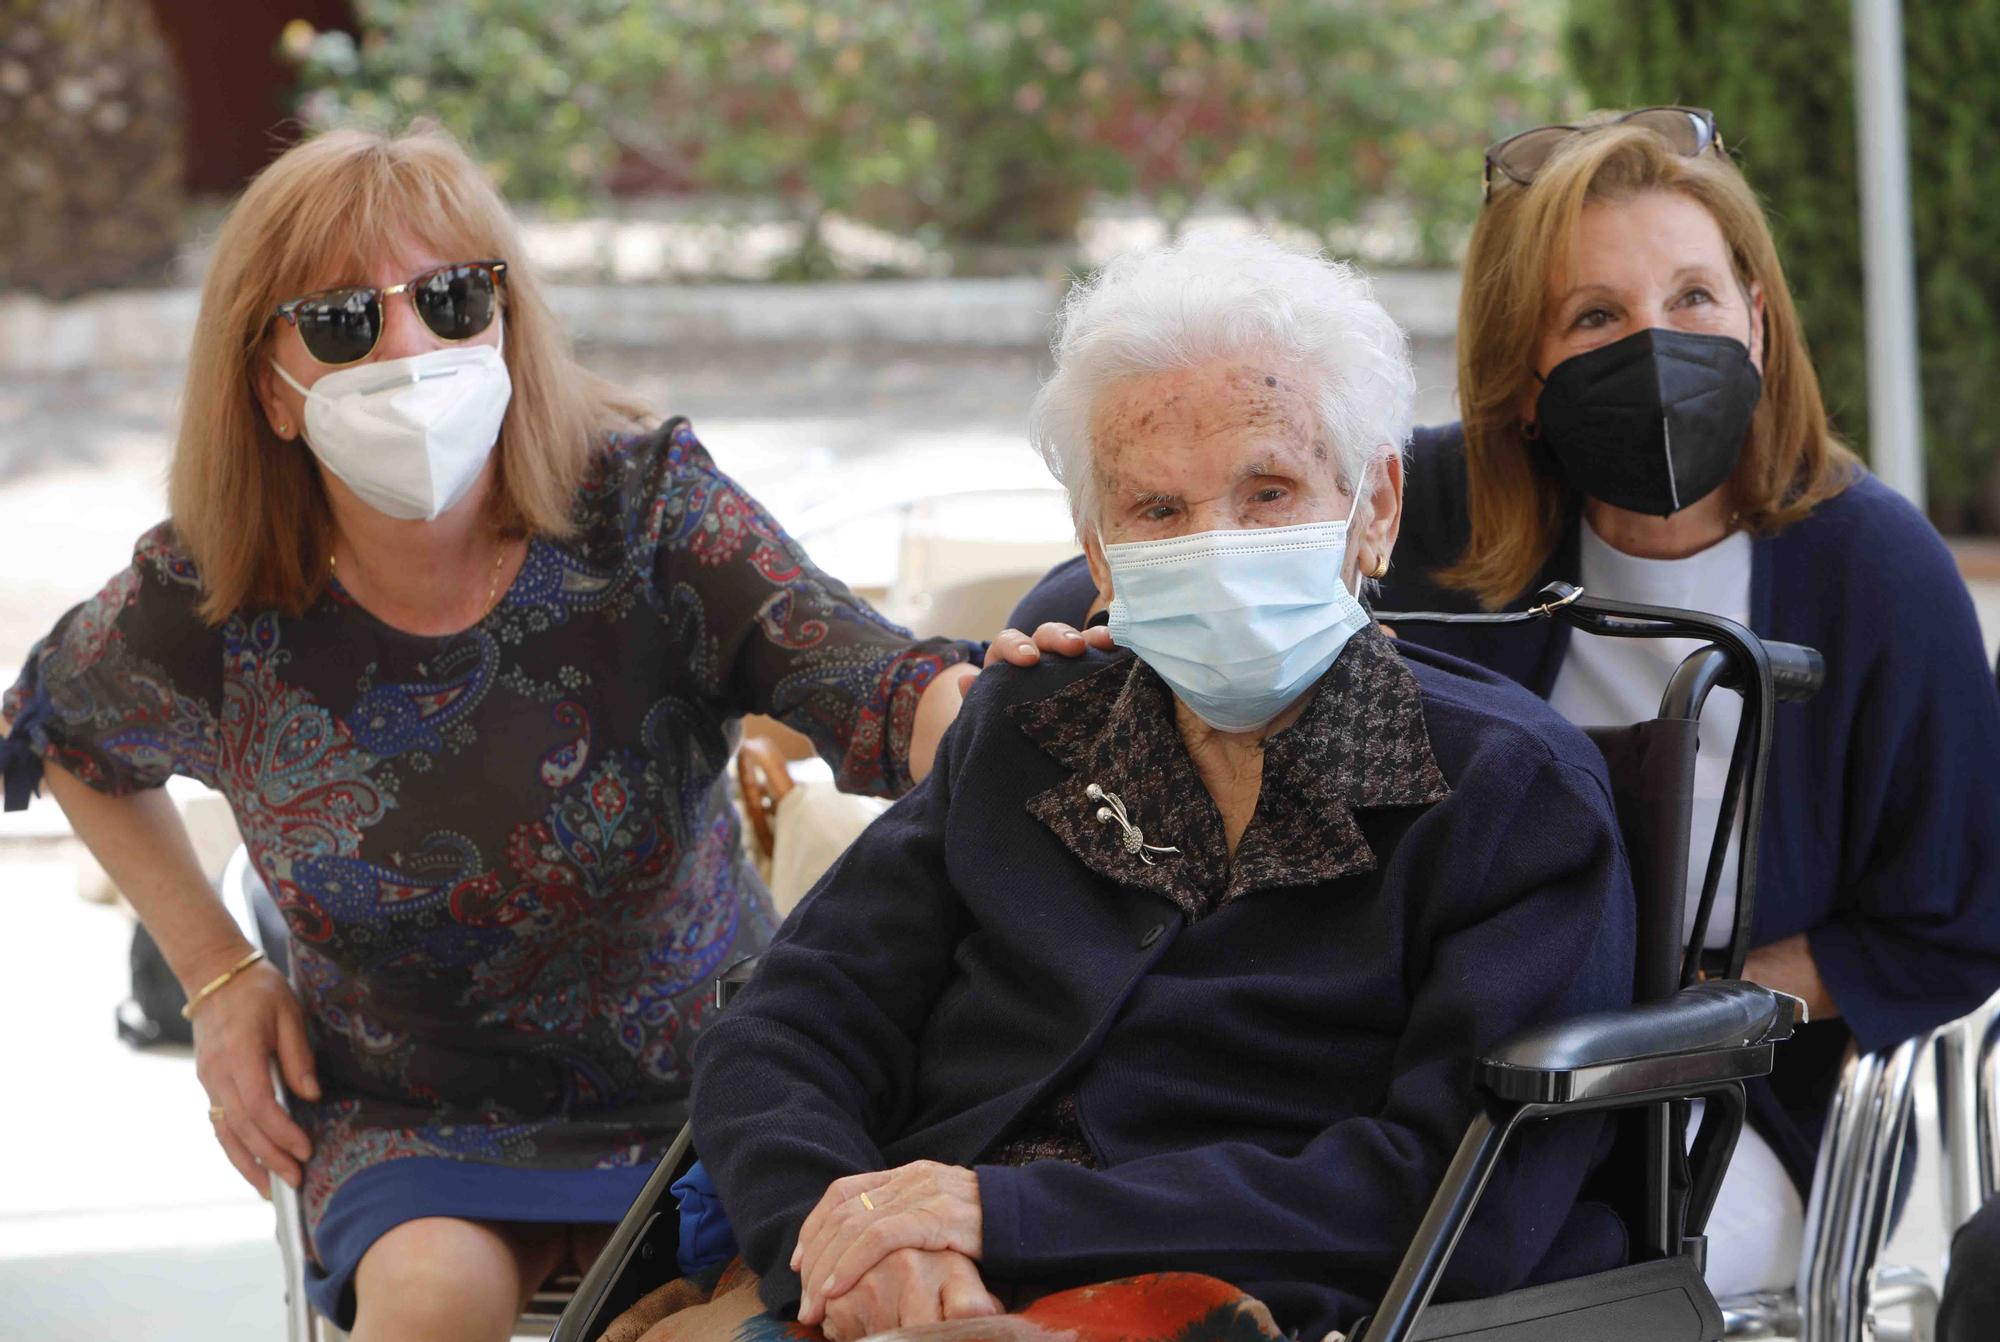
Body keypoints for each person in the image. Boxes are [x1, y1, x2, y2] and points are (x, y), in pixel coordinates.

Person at [0, 124, 1049, 1342]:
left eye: (452, 299)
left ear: (505, 318)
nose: (412, 351)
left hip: (724, 1091)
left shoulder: (646, 509)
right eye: (344, 322)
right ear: (266, 389)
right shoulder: (209, 597)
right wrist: (219, 973)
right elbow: (61, 730)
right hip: (415, 1116)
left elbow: (861, 670)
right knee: (425, 1315)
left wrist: (1000, 719)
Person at [1009, 107, 2000, 1299]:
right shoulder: (1428, 507)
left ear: (1755, 315)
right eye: (1593, 317)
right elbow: (1174, 538)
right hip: (1389, 1059)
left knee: (1462, 1284)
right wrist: (1053, 636)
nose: (1654, 344)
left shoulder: (1871, 569)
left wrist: (1692, 1002)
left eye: (1691, 297)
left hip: (1699, 1101)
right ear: (1521, 377)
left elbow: (1952, 921)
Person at [604, 233, 1638, 1342]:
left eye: (1269, 488)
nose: (1216, 545)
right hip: (901, 1294)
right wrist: (842, 1234)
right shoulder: (1033, 727)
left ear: (1374, 507)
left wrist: (999, 1218)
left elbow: (1451, 1186)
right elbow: (792, 1021)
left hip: (1239, 1302)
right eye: (1156, 511)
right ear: (1095, 553)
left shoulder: (1503, 792)